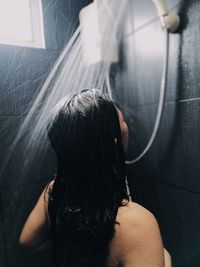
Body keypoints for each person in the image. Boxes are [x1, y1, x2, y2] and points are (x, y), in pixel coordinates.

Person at [19, 89, 172, 267]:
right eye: (122, 121)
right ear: (113, 142)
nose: (126, 127)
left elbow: (28, 241)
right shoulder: (138, 224)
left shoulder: (54, 191)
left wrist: (75, 241)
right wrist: (164, 257)